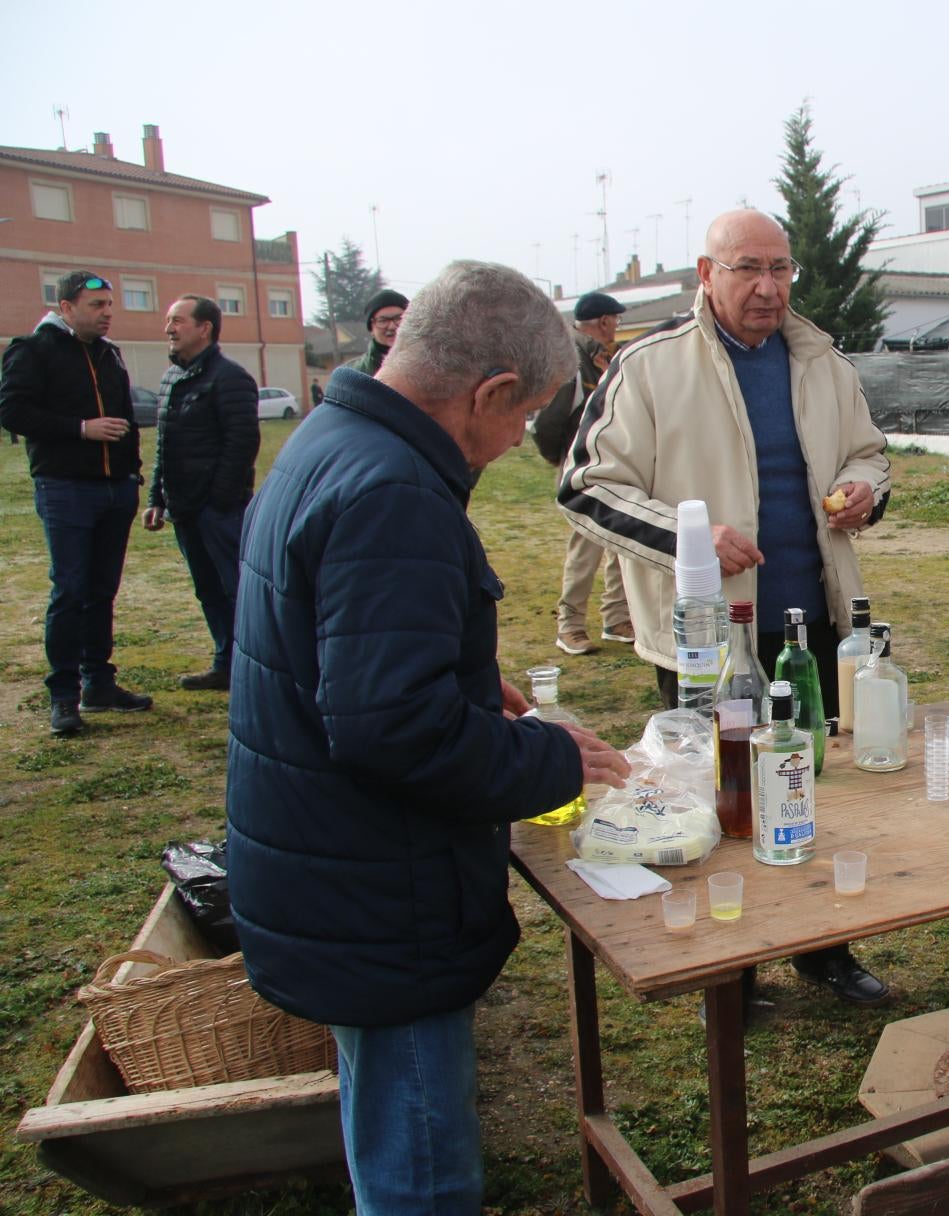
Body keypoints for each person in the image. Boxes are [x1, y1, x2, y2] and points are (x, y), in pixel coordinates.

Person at [226, 261, 630, 1214]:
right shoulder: (395, 490)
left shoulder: (331, 436)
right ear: (490, 392)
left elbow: (328, 634)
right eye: (521, 417)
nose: (510, 441)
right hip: (380, 891)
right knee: (421, 1162)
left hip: (333, 863)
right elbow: (391, 728)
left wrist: (458, 669)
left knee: (389, 1115)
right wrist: (552, 759)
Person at [560, 208, 893, 1008]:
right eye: (747, 268)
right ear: (706, 275)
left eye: (780, 270)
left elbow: (869, 454)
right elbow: (584, 487)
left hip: (810, 628)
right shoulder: (648, 367)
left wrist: (863, 493)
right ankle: (731, 977)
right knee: (715, 801)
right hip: (705, 637)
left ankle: (824, 946)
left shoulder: (822, 363)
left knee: (813, 790)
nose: (768, 288)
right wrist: (693, 541)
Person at [0, 270, 153, 736]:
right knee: (69, 591)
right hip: (66, 488)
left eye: (109, 304)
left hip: (115, 489)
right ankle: (63, 696)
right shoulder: (33, 350)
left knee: (101, 591)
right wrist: (80, 428)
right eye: (96, 306)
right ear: (65, 308)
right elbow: (11, 410)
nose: (107, 313)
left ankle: (99, 683)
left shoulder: (109, 354)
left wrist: (132, 472)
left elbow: (125, 417)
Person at [142, 295, 259, 691]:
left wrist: (219, 500)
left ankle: (257, 665)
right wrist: (157, 498)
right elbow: (164, 444)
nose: (168, 328)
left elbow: (242, 444)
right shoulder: (171, 378)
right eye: (167, 320)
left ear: (204, 328)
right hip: (184, 508)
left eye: (177, 320)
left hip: (218, 511)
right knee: (208, 589)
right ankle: (225, 663)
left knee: (237, 589)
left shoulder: (231, 379)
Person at [533, 290, 634, 655]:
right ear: (605, 322)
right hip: (585, 464)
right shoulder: (573, 359)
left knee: (620, 540)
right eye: (615, 321)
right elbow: (548, 421)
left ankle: (616, 618)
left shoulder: (603, 357)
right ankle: (570, 624)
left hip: (617, 460)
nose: (616, 327)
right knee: (586, 544)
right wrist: (562, 459)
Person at [351, 288, 408, 374]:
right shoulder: (356, 373)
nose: (392, 326)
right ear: (371, 328)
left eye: (398, 318)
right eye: (383, 321)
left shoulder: (431, 363)